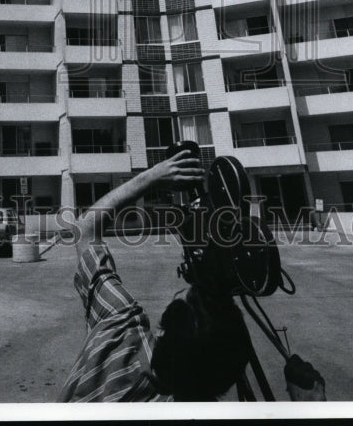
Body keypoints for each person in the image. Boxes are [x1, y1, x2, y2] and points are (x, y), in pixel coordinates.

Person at [59, 150, 325, 403]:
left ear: (163, 331)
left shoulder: (117, 333)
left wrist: (153, 177)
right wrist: (312, 404)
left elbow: (85, 229)